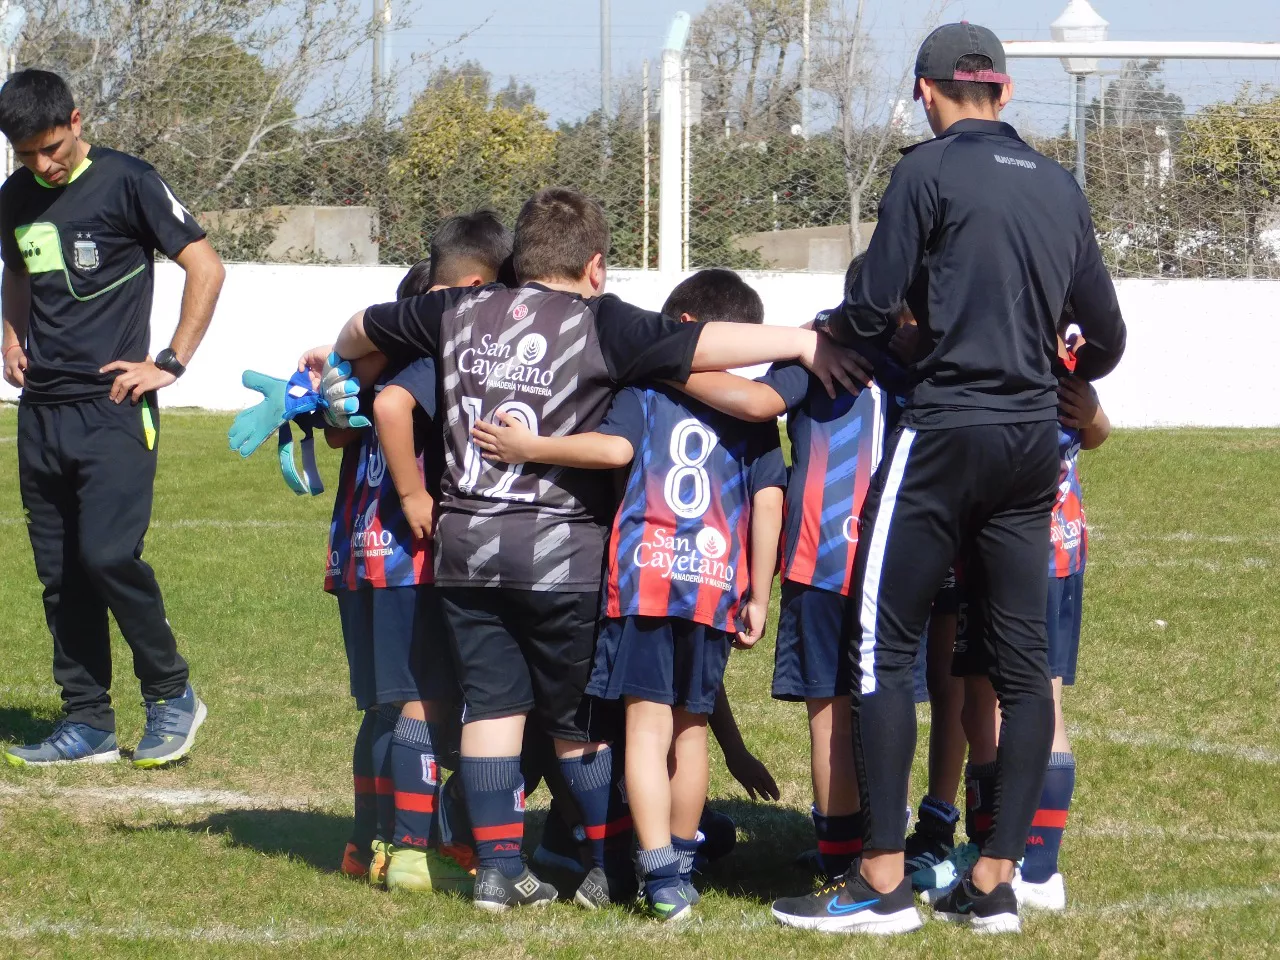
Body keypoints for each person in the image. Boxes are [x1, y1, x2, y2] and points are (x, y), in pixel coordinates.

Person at [308, 186, 868, 913]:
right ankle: (606, 863)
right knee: (579, 723)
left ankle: (497, 871)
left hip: (464, 549)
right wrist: (799, 341)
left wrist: (334, 366)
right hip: (560, 557)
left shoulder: (456, 310)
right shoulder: (602, 321)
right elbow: (703, 346)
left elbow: (360, 326)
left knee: (494, 709)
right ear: (595, 266)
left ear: (520, 256)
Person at [769, 23, 1126, 936]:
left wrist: (851, 331)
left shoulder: (924, 172)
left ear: (926, 94)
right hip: (1030, 444)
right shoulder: (1059, 184)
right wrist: (1059, 379)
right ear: (1004, 92)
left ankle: (881, 882)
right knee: (1023, 666)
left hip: (943, 432)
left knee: (879, 644)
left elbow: (871, 304)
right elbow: (1108, 337)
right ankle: (995, 881)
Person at [471, 268, 787, 920]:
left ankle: (657, 873)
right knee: (690, 731)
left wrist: (531, 447)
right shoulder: (754, 413)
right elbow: (768, 500)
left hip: (645, 580)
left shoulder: (642, 389)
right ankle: (683, 861)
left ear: (680, 332)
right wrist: (758, 592)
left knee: (646, 731)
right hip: (713, 584)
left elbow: (613, 451)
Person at [0, 69, 225, 768]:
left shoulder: (129, 181)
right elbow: (17, 271)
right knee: (61, 572)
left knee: (107, 556)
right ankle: (87, 721)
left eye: (51, 147)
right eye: (27, 154)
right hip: (41, 412)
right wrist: (12, 336)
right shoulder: (14, 196)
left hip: (114, 407)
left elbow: (207, 267)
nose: (43, 164)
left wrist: (170, 362)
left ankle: (172, 693)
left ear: (75, 120)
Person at [325, 212, 511, 892]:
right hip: (410, 559)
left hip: (357, 557)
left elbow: (338, 433)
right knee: (423, 701)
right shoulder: (436, 362)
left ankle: (365, 841)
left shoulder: (366, 367)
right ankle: (408, 848)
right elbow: (392, 413)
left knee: (385, 703)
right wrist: (412, 495)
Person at [925, 326, 1112, 913]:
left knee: (1004, 701)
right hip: (1053, 546)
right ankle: (1016, 861)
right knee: (999, 701)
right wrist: (1095, 417)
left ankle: (1022, 863)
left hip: (1014, 550)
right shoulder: (1062, 342)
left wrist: (1094, 414)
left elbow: (1092, 427)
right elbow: (1095, 430)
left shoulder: (1015, 340)